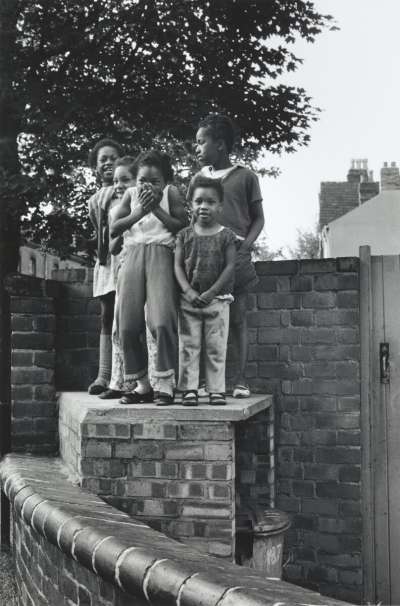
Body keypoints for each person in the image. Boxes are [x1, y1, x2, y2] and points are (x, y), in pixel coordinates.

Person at [194, 114, 264, 398]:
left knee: (237, 319)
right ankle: (201, 382)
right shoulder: (198, 180)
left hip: (235, 255)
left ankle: (241, 381)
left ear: (220, 145)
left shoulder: (246, 177)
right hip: (203, 256)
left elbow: (259, 219)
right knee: (202, 319)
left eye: (201, 142)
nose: (196, 148)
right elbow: (193, 220)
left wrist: (245, 246)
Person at [111, 150, 187, 406]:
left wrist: (157, 209)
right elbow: (114, 228)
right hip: (132, 255)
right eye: (143, 179)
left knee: (162, 320)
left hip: (161, 254)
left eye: (155, 181)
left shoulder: (171, 193)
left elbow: (181, 225)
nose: (148, 185)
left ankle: (165, 383)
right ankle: (142, 385)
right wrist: (141, 211)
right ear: (136, 179)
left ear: (165, 181)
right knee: (127, 324)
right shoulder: (131, 195)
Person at [175, 175, 236, 406]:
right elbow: (177, 266)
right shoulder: (184, 235)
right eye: (199, 201)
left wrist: (211, 292)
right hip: (188, 301)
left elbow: (230, 267)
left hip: (217, 301)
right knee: (189, 347)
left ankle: (216, 390)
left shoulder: (226, 236)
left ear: (220, 206)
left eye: (210, 202)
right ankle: (189, 389)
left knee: (216, 348)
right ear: (191, 204)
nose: (204, 206)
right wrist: (188, 291)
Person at [87, 138, 123, 395]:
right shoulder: (94, 200)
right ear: (95, 168)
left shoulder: (128, 190)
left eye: (113, 157)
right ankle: (104, 375)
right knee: (107, 315)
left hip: (128, 258)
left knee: (129, 317)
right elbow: (99, 235)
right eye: (103, 159)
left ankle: (129, 376)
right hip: (107, 262)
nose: (109, 162)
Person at [99, 156, 137, 399]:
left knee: (139, 329)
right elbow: (111, 247)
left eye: (126, 179)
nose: (120, 184)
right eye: (116, 180)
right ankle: (117, 382)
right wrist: (120, 233)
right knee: (118, 328)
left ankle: (142, 382)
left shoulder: (148, 207)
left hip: (144, 273)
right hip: (122, 276)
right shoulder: (115, 211)